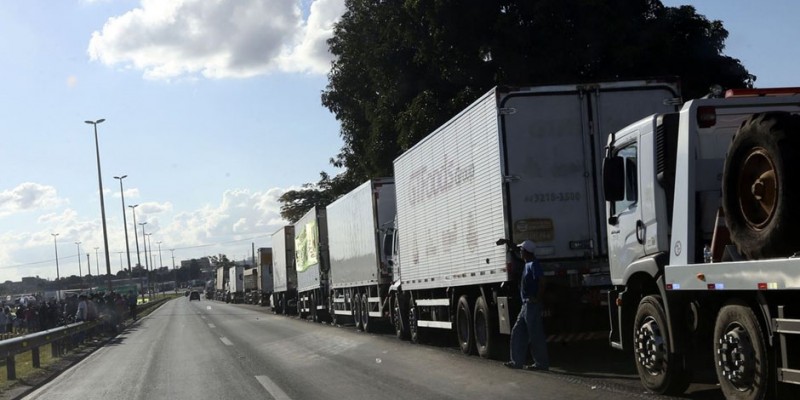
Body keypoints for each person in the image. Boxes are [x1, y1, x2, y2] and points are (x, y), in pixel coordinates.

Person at [504, 239, 550, 371]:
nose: (520, 252)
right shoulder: (527, 263)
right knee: (518, 331)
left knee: (535, 335)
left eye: (521, 250)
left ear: (526, 252)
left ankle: (541, 364)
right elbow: (515, 253)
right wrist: (508, 242)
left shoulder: (533, 265)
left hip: (532, 305)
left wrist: (538, 298)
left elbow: (542, 281)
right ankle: (516, 362)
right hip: (525, 306)